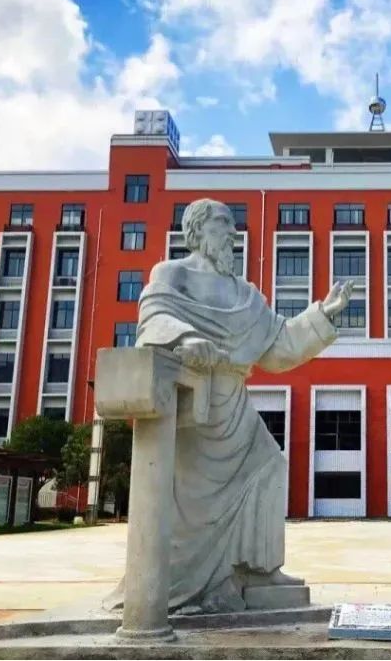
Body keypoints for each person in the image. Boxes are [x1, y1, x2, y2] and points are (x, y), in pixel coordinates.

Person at [105, 198, 353, 614]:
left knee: (268, 465)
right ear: (197, 229)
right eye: (223, 223)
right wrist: (186, 338)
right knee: (191, 511)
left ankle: (258, 571)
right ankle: (187, 585)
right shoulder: (173, 274)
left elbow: (278, 347)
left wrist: (323, 315)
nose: (233, 233)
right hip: (194, 407)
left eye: (232, 225)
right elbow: (152, 319)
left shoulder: (245, 294)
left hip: (234, 403)